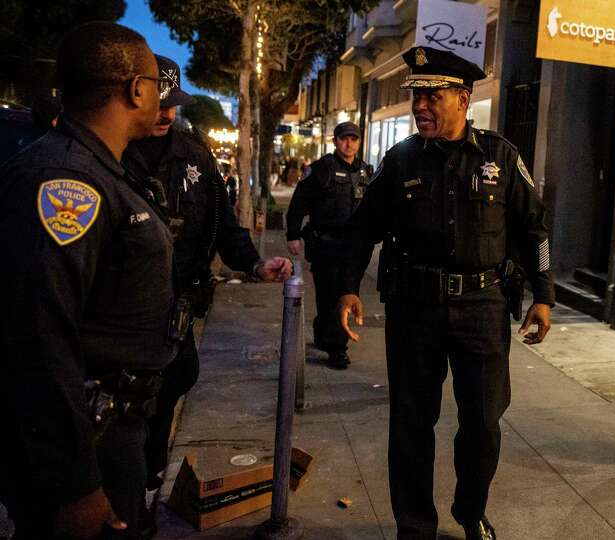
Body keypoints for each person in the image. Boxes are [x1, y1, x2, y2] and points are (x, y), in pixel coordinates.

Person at [336, 46, 555, 540]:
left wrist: (544, 294)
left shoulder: (501, 156)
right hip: (415, 309)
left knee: (483, 423)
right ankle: (414, 525)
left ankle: (470, 509)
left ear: (463, 98)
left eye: (432, 96)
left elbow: (534, 230)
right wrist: (348, 287)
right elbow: (362, 228)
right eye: (416, 97)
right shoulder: (400, 160)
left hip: (482, 308)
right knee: (412, 424)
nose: (420, 107)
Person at [0, 22, 172, 539]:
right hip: (86, 440)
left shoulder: (106, 169)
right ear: (135, 89)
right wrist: (77, 485)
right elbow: (37, 337)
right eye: (154, 85)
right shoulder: (66, 183)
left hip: (114, 426)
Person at [122, 55, 292, 537]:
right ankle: (128, 497)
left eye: (172, 104)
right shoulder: (111, 152)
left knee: (172, 386)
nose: (165, 113)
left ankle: (148, 484)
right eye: (158, 102)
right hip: (124, 315)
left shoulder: (194, 156)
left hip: (176, 311)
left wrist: (255, 263)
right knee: (128, 413)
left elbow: (223, 226)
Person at [286, 121, 373, 369]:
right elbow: (298, 203)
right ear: (335, 141)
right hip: (326, 246)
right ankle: (334, 345)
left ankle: (332, 341)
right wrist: (293, 235)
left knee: (347, 294)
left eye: (353, 139)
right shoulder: (322, 169)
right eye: (344, 138)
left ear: (359, 142)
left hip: (354, 249)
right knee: (328, 297)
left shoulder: (366, 172)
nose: (349, 143)